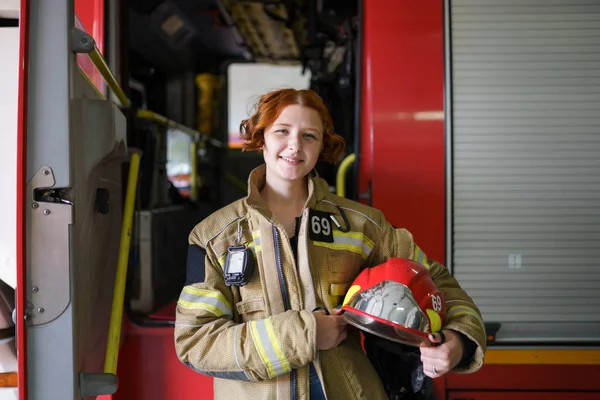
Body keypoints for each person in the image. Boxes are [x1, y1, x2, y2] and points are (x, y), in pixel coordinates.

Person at [174, 88, 486, 400]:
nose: (295, 146)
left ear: (323, 145)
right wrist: (306, 333)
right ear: (261, 137)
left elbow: (438, 284)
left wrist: (459, 340)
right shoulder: (215, 237)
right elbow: (196, 343)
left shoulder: (363, 226)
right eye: (282, 131)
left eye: (309, 135)